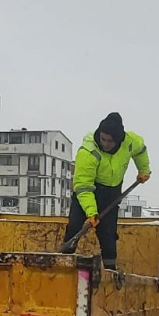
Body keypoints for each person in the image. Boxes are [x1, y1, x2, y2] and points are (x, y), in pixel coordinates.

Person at [61, 112, 150, 268]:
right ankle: (63, 263)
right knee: (74, 229)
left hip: (111, 194)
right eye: (103, 139)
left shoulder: (130, 142)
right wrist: (91, 212)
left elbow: (140, 150)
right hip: (87, 193)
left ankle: (110, 271)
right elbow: (83, 186)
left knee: (108, 235)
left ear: (119, 139)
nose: (106, 144)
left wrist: (143, 169)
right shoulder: (89, 152)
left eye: (110, 141)